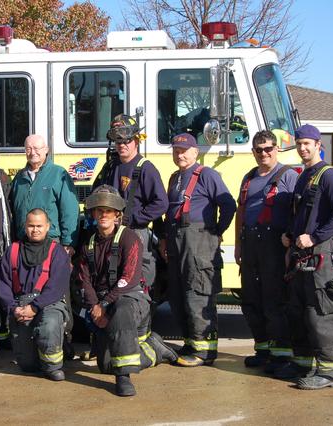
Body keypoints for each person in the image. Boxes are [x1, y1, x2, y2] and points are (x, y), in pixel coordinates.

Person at [77, 185, 177, 397]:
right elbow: (83, 280)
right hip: (102, 303)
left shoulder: (130, 238)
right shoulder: (88, 244)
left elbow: (129, 279)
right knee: (106, 365)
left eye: (108, 210)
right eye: (99, 210)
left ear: (117, 215)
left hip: (130, 299)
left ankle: (123, 378)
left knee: (121, 310)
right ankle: (154, 350)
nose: (103, 214)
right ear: (93, 213)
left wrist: (103, 306)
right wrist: (95, 307)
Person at [278, 124, 333, 390]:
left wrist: (315, 237)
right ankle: (302, 363)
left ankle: (331, 372)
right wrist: (289, 236)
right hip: (301, 257)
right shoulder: (304, 175)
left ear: (318, 145)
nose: (302, 148)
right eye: (299, 144)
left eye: (307, 143)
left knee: (323, 312)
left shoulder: (330, 176)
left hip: (321, 256)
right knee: (299, 312)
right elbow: (300, 214)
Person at [159, 133, 236, 367]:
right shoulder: (175, 178)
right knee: (178, 295)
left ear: (195, 152)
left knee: (198, 294)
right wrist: (163, 238)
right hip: (176, 240)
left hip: (199, 241)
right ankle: (192, 343)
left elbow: (229, 205)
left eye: (184, 150)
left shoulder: (208, 175)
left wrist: (216, 231)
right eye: (176, 150)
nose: (180, 154)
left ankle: (205, 351)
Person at [235, 131, 298, 371]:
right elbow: (241, 212)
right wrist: (238, 245)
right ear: (253, 152)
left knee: (275, 301)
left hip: (275, 245)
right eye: (259, 150)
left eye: (269, 148)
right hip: (251, 243)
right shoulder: (249, 177)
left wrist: (290, 244)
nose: (264, 153)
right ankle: (262, 349)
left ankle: (281, 354)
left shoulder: (288, 176)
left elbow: (298, 210)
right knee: (251, 300)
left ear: (277, 149)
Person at [93, 114, 168, 289]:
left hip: (135, 232)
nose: (122, 145)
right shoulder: (110, 166)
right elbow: (96, 193)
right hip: (109, 234)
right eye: (118, 141)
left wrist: (134, 219)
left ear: (136, 141)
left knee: (136, 283)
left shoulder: (146, 168)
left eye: (126, 141)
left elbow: (161, 203)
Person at [0, 208, 71, 381]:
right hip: (20, 307)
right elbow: (3, 284)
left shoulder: (57, 252)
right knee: (28, 366)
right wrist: (13, 308)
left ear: (47, 227)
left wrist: (35, 307)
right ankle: (44, 352)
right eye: (31, 226)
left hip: (49, 303)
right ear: (25, 226)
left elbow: (56, 287)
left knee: (49, 325)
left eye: (39, 226)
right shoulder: (13, 251)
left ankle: (53, 367)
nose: (35, 230)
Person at [10, 135, 79, 253]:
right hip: (24, 242)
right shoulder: (19, 178)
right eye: (28, 149)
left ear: (46, 149)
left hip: (51, 242)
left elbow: (70, 211)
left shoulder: (59, 174)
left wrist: (68, 242)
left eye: (37, 148)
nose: (32, 153)